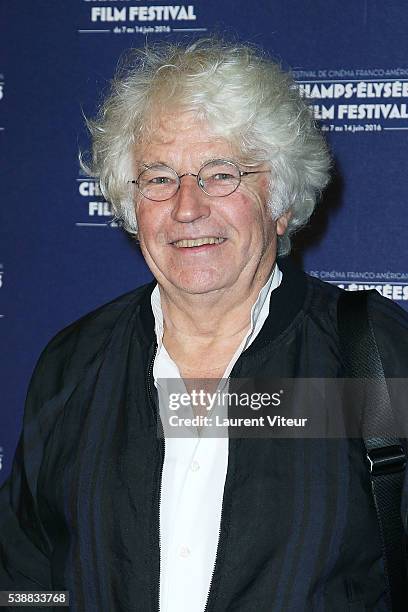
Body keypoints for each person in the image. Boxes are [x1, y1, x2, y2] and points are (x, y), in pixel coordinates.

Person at [1, 37, 408, 612]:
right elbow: (23, 578)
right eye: (159, 178)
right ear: (129, 202)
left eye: (221, 173)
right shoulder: (74, 364)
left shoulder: (374, 355)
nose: (187, 207)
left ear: (281, 198)